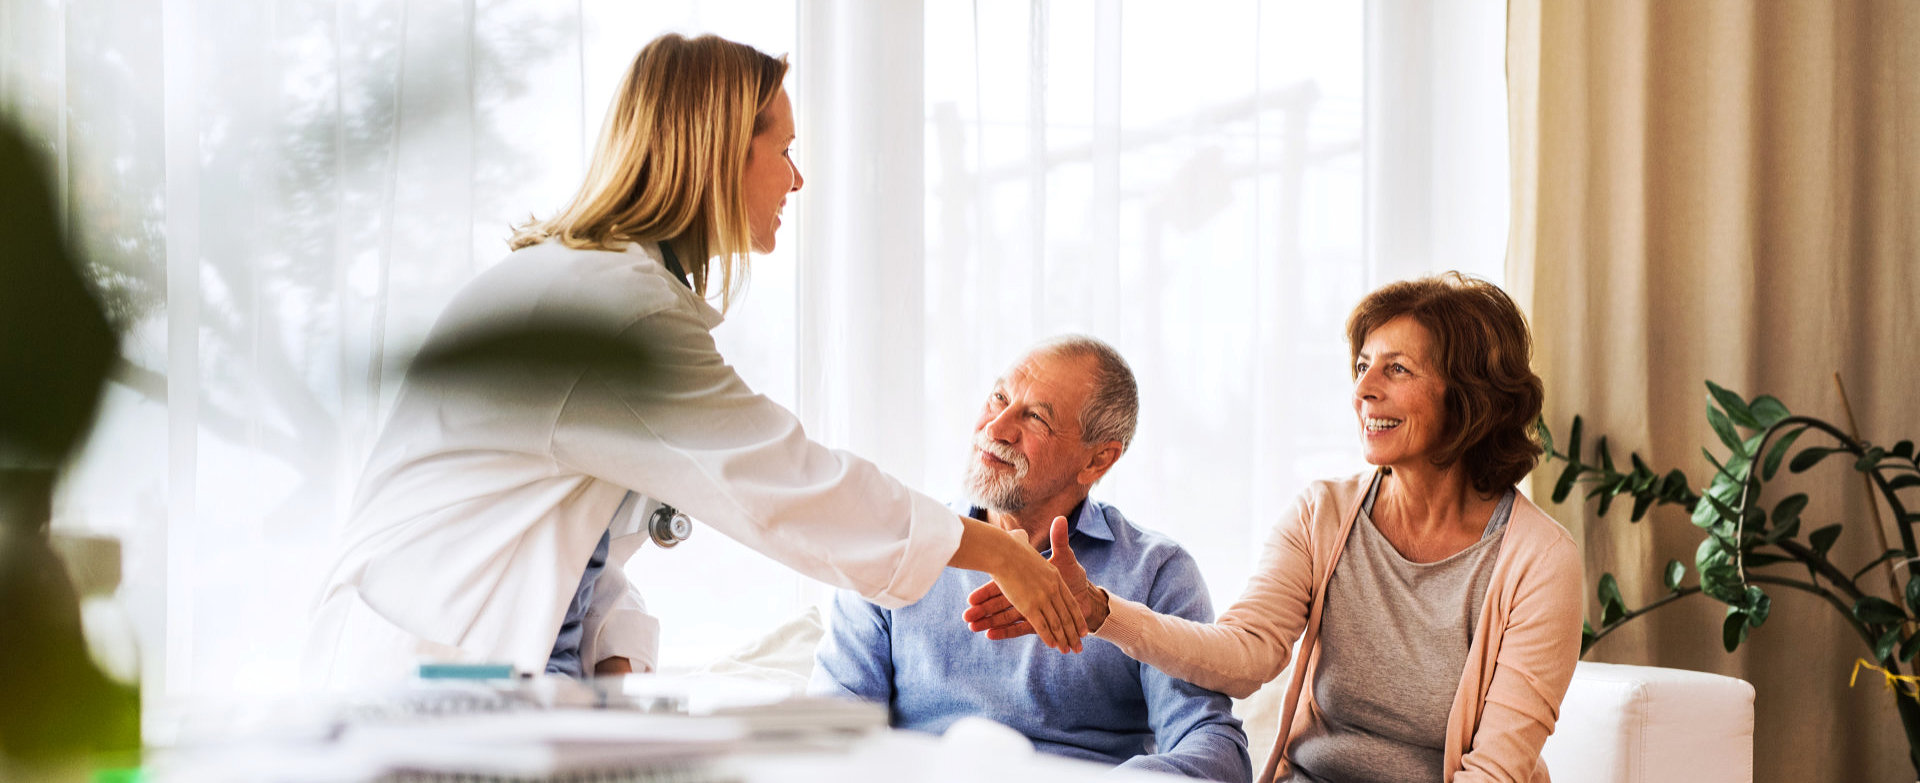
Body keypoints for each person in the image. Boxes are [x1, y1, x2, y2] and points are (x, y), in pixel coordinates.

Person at [304, 33, 1084, 687]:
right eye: (784, 148)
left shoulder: (599, 287)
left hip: (485, 669)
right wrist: (991, 551)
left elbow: (564, 527)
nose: (797, 178)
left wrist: (616, 646)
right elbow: (790, 485)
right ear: (720, 150)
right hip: (435, 677)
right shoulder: (610, 313)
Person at [967, 273, 1585, 783]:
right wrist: (1101, 611)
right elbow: (1244, 655)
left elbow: (1497, 772)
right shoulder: (1323, 513)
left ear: (1470, 394)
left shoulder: (1538, 560)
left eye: (1396, 370)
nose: (1363, 390)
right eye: (1363, 366)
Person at [810, 336, 1250, 782]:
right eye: (999, 397)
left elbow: (1215, 752)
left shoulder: (1157, 572)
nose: (996, 428)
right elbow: (829, 731)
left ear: (1098, 460)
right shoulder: (897, 547)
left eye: (1035, 417)